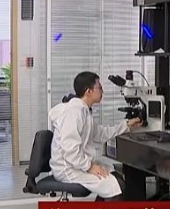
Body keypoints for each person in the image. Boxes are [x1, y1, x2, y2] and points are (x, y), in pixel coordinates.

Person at [49, 71, 142, 200]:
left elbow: (100, 134)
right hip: (67, 168)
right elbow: (69, 150)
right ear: (89, 91)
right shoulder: (73, 112)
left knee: (117, 177)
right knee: (115, 186)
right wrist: (89, 167)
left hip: (77, 164)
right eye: (100, 88)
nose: (102, 91)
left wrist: (126, 125)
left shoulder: (84, 111)